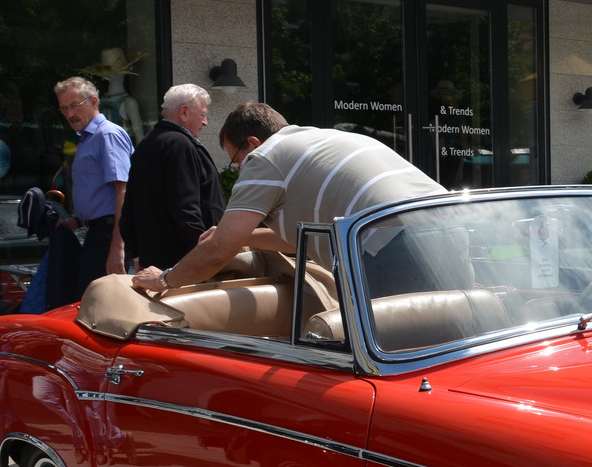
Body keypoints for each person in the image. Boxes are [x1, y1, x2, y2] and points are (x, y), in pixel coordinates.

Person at [131, 102, 444, 295]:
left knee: (403, 363)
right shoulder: (325, 140)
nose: (239, 170)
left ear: (252, 143)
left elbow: (217, 252)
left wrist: (166, 279)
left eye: (236, 160)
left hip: (392, 245)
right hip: (449, 225)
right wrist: (246, 237)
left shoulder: (266, 157)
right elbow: (303, 239)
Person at [120, 83, 223, 271]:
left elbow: (128, 214)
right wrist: (203, 256)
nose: (205, 122)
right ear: (184, 112)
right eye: (202, 115)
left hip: (153, 262)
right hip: (184, 265)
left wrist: (137, 255)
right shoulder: (180, 145)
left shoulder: (145, 145)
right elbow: (186, 209)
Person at [54, 75, 133, 303]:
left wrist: (117, 247)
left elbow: (124, 191)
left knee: (97, 307)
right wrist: (77, 222)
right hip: (97, 232)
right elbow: (99, 193)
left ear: (94, 101)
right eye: (64, 108)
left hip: (109, 236)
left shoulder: (106, 135)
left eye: (75, 105)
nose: (70, 114)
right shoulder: (88, 138)